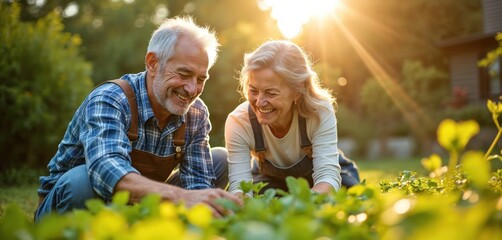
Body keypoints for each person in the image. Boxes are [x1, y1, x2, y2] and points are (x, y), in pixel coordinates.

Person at [35, 16, 242, 221]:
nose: (192, 89)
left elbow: (198, 184)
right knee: (82, 180)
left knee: (220, 160)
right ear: (152, 63)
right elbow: (107, 171)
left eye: (200, 79)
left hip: (136, 210)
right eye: (184, 74)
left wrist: (205, 209)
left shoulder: (195, 112)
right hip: (68, 208)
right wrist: (181, 198)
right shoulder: (110, 99)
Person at [225, 40, 360, 197]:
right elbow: (240, 189)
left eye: (271, 93)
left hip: (325, 176)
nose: (259, 102)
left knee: (347, 198)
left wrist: (298, 205)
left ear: (298, 91)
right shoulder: (239, 122)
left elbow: (327, 178)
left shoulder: (319, 111)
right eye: (253, 90)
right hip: (269, 180)